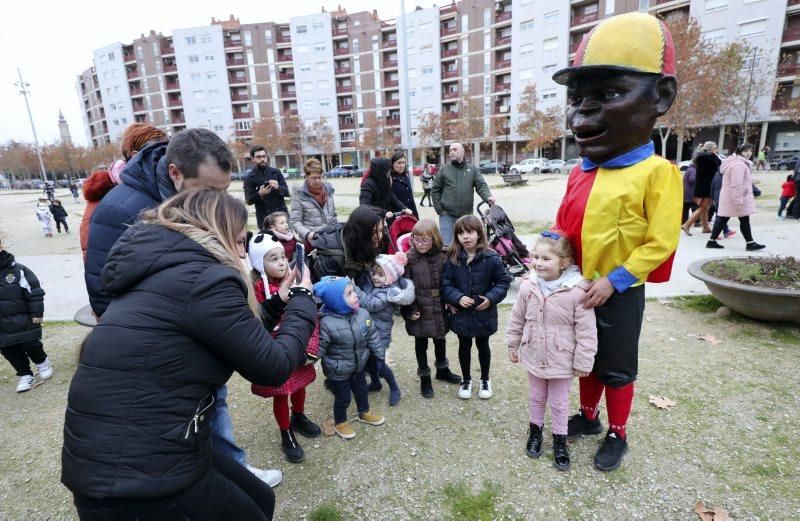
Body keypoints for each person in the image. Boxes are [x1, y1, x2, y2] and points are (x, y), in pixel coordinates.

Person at [62, 189, 316, 519]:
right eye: (238, 242)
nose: (242, 253)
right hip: (133, 472)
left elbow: (230, 329)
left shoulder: (172, 267)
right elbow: (273, 365)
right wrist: (302, 299)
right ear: (217, 233)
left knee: (259, 498)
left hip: (139, 443)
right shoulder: (204, 277)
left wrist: (280, 301)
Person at [83, 128, 281, 485]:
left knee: (213, 404)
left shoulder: (188, 197)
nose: (218, 201)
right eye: (209, 192)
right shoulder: (120, 209)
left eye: (224, 190)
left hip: (204, 326)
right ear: (175, 173)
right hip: (161, 351)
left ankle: (231, 470)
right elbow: (105, 286)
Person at [551, 12, 681, 472]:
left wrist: (617, 280)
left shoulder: (658, 174)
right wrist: (548, 252)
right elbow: (565, 226)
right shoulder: (578, 171)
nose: (583, 111)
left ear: (660, 96)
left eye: (608, 94)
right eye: (577, 98)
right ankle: (588, 415)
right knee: (583, 356)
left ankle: (618, 431)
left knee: (617, 363)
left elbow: (660, 240)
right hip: (577, 285)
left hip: (620, 291)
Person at [506, 231, 597, 471]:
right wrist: (512, 344)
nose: (538, 263)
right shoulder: (529, 287)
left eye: (546, 259)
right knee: (536, 396)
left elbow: (586, 331)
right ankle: (535, 431)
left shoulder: (576, 292)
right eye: (535, 257)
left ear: (564, 262)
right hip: (534, 352)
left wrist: (583, 362)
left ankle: (559, 440)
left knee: (559, 402)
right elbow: (517, 318)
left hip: (562, 358)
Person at [247, 231, 321, 464]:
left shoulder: (297, 280)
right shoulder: (257, 290)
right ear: (260, 264)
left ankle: (298, 416)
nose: (281, 262)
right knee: (282, 392)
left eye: (282, 257)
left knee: (299, 386)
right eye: (273, 259)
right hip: (276, 348)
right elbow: (257, 321)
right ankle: (285, 431)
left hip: (298, 346)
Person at [442, 215, 511, 400]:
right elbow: (446, 284)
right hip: (462, 314)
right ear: (456, 236)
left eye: (470, 232)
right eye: (461, 233)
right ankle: (466, 380)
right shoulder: (453, 258)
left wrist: (490, 298)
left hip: (484, 313)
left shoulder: (491, 257)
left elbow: (503, 282)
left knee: (483, 345)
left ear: (479, 234)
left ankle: (485, 379)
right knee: (464, 346)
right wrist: (457, 297)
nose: (465, 237)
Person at [80, 124, 168, 262]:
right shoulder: (104, 195)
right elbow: (96, 259)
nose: (164, 156)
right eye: (158, 151)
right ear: (135, 155)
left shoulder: (164, 185)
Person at [314, 276, 386, 439]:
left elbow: (372, 335)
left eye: (353, 291)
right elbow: (320, 347)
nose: (355, 295)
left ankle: (364, 412)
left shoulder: (362, 314)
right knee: (343, 398)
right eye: (349, 293)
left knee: (362, 391)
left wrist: (379, 353)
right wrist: (308, 360)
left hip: (359, 365)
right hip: (338, 371)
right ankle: (340, 422)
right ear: (336, 301)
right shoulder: (326, 323)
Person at [400, 219, 462, 398]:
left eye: (424, 240)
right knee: (421, 342)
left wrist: (451, 300)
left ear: (434, 239)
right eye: (416, 239)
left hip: (439, 304)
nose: (419, 243)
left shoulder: (443, 256)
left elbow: (449, 281)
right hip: (419, 305)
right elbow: (405, 288)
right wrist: (409, 310)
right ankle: (425, 376)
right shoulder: (409, 259)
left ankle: (442, 369)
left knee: (440, 337)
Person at [356, 251, 416, 406]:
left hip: (380, 335)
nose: (376, 277)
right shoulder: (374, 285)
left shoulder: (388, 293)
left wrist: (354, 290)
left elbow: (370, 304)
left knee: (379, 364)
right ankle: (376, 383)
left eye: (381, 275)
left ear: (390, 278)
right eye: (374, 273)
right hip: (369, 332)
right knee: (369, 361)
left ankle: (395, 388)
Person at [0, 239, 52, 393]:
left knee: (31, 344)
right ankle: (25, 374)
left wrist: (37, 313)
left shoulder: (17, 271)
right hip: (1, 327)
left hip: (22, 319)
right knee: (9, 350)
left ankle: (42, 362)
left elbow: (34, 291)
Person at [431, 143, 495, 245]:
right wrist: (440, 210)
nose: (451, 152)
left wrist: (488, 197)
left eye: (455, 149)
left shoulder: (473, 169)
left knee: (467, 245)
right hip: (447, 216)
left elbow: (481, 185)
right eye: (450, 150)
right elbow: (435, 190)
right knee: (448, 247)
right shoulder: (444, 169)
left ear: (462, 152)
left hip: (466, 216)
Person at [706, 143, 765, 250]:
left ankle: (712, 241)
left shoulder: (736, 162)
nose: (749, 153)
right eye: (746, 151)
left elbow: (738, 180)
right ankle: (750, 243)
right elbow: (736, 184)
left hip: (730, 197)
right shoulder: (739, 165)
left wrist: (750, 181)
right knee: (740, 219)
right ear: (739, 151)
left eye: (751, 151)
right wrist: (738, 201)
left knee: (724, 218)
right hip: (736, 197)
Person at [309, 205, 386, 286]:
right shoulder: (332, 257)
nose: (379, 236)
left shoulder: (361, 240)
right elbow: (329, 293)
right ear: (360, 232)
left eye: (381, 230)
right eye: (373, 232)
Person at [290, 158, 337, 247]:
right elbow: (295, 221)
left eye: (319, 177)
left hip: (330, 239)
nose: (318, 181)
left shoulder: (329, 191)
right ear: (307, 177)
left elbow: (333, 216)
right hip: (311, 242)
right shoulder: (298, 195)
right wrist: (308, 234)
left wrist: (334, 230)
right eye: (314, 178)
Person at [244, 146, 289, 230]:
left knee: (286, 242)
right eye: (259, 157)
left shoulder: (276, 172)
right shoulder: (249, 177)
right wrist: (260, 193)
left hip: (281, 216)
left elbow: (287, 192)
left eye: (264, 156)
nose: (262, 159)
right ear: (253, 159)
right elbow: (248, 200)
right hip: (264, 219)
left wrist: (278, 187)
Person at [683, 141, 720, 234]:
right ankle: (687, 224)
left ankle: (706, 227)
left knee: (704, 208)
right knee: (703, 208)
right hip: (707, 188)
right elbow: (718, 171)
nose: (717, 150)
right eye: (716, 148)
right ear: (711, 149)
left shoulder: (700, 158)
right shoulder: (712, 159)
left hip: (699, 187)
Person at [389, 151, 419, 218]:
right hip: (397, 217)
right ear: (392, 164)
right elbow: (391, 199)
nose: (402, 165)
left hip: (409, 215)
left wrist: (416, 217)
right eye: (399, 163)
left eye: (403, 162)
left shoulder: (405, 176)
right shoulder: (389, 178)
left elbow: (411, 199)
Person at [681, 160, 697, 225]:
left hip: (686, 193)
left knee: (685, 208)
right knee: (695, 208)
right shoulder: (693, 170)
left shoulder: (689, 169)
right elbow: (692, 179)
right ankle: (696, 221)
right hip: (691, 193)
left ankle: (684, 221)